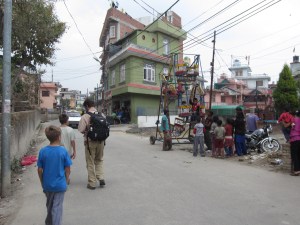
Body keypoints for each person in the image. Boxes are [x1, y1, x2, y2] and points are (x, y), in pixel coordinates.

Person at [37, 125, 72, 225]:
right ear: (59, 137)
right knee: (57, 208)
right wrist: (66, 180)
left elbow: (39, 169)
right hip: (60, 184)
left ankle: (48, 223)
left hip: (47, 185)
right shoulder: (63, 151)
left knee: (49, 206)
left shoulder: (43, 151)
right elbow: (67, 168)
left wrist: (42, 182)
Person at [78, 99, 106, 190]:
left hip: (90, 142)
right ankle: (101, 177)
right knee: (99, 160)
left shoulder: (85, 116)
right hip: (101, 141)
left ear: (86, 106)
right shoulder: (102, 115)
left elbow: (81, 130)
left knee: (90, 162)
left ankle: (92, 183)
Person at [289, 110, 300, 176]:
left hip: (294, 139)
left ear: (295, 115)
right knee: (299, 155)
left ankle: (296, 171)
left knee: (294, 155)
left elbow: (291, 126)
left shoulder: (294, 119)